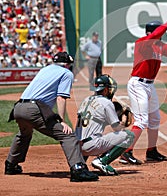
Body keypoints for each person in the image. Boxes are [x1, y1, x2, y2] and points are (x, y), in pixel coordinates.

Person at [4, 51, 99, 182]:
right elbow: (61, 98)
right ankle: (78, 170)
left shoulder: (45, 69)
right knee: (67, 135)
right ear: (66, 64)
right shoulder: (66, 73)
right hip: (33, 109)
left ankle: (10, 165)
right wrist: (62, 121)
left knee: (24, 134)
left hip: (18, 108)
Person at [119, 15, 167, 165]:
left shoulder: (159, 46)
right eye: (161, 32)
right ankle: (126, 152)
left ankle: (151, 151)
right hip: (137, 84)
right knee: (141, 120)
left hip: (149, 85)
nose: (162, 35)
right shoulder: (143, 42)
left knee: (155, 119)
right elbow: (154, 35)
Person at [75, 74, 135, 175]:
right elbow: (116, 128)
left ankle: (80, 164)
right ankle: (102, 161)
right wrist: (124, 122)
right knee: (129, 135)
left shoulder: (86, 100)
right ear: (106, 90)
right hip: (92, 146)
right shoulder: (106, 102)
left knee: (88, 133)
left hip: (76, 147)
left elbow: (96, 119)